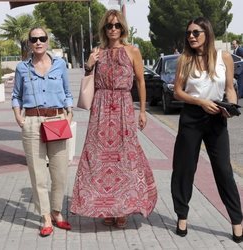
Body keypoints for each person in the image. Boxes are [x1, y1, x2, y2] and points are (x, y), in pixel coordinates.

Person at [70, 9, 157, 228]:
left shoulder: (132, 51)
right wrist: (89, 64)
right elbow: (88, 77)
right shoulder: (97, 51)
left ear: (123, 28)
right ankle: (104, 208)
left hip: (123, 107)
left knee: (124, 157)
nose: (114, 29)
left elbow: (140, 81)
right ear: (104, 29)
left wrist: (143, 111)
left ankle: (123, 208)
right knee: (99, 158)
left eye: (117, 25)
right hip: (100, 107)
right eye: (110, 26)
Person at [171, 17, 243, 243]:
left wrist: (230, 108)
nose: (191, 36)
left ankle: (237, 221)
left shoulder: (224, 57)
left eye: (196, 32)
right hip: (192, 117)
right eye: (189, 33)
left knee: (223, 171)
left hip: (216, 118)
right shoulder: (185, 59)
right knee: (184, 169)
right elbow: (177, 92)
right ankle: (182, 216)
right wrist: (201, 102)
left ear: (207, 33)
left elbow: (230, 89)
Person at [12, 27, 73, 237]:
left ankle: (57, 212)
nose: (38, 42)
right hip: (31, 122)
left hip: (57, 120)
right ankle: (46, 217)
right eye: (34, 39)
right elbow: (16, 96)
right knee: (37, 175)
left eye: (42, 38)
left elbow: (67, 92)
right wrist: (18, 116)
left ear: (48, 40)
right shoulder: (22, 68)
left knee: (60, 172)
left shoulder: (60, 65)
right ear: (29, 42)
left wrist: (70, 111)